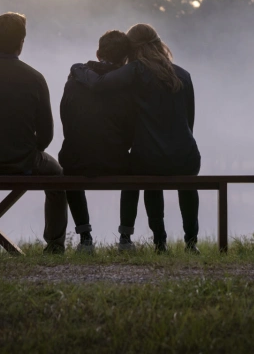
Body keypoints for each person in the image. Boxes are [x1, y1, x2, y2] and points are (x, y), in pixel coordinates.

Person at [71, 23, 201, 252]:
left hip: (150, 159)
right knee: (187, 185)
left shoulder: (136, 70)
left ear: (133, 48)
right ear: (158, 43)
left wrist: (78, 68)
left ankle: (160, 243)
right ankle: (191, 243)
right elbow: (189, 122)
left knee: (149, 172)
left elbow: (99, 84)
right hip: (187, 157)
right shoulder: (183, 74)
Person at [0, 12, 67, 253]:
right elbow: (46, 134)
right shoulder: (35, 78)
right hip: (23, 162)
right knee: (58, 176)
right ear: (21, 42)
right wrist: (27, 152)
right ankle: (55, 245)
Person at [58, 30, 135, 253]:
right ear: (125, 59)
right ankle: (125, 239)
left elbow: (66, 121)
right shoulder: (127, 85)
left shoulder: (74, 81)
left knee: (69, 167)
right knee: (136, 168)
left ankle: (85, 239)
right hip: (116, 161)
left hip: (77, 160)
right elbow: (131, 131)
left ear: (98, 53)